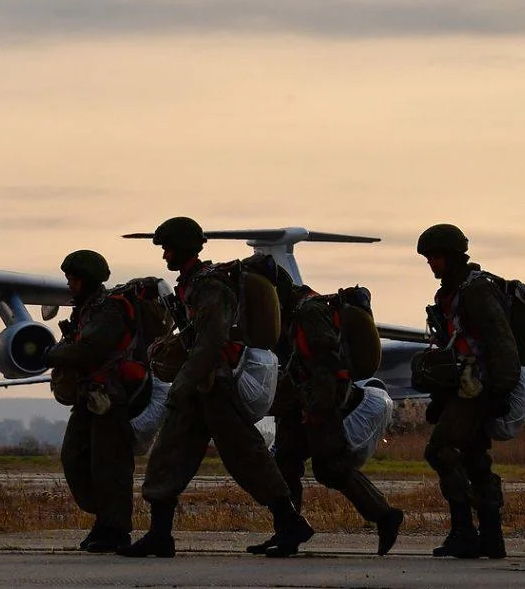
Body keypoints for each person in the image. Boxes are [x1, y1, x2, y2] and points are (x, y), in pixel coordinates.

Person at [118, 217, 314, 558]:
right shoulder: (191, 285)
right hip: (200, 386)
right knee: (168, 455)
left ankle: (290, 522)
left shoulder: (210, 286)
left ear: (182, 248)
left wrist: (182, 382)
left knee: (248, 457)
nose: (164, 254)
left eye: (168, 248)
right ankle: (159, 535)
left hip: (215, 385)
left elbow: (212, 340)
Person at [256, 269, 403, 556]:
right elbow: (299, 362)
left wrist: (319, 409)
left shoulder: (309, 311)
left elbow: (326, 361)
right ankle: (288, 531)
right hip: (303, 399)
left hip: (321, 401)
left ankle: (385, 515)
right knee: (284, 462)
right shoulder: (294, 312)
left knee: (330, 468)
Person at [416, 224, 519, 559]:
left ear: (452, 255)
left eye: (435, 257)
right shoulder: (451, 292)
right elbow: (451, 347)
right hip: (462, 387)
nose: (431, 264)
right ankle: (491, 537)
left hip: (478, 389)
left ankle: (464, 531)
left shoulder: (476, 290)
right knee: (475, 460)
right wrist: (438, 399)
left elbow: (500, 339)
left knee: (441, 449)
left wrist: (501, 389)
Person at [45, 249, 140, 553]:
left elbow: (88, 350)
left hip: (111, 400)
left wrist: (50, 354)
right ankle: (105, 520)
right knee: (74, 458)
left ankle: (115, 529)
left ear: (86, 280)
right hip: (90, 398)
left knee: (109, 465)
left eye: (73, 279)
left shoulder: (109, 311)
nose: (69, 284)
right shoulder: (86, 310)